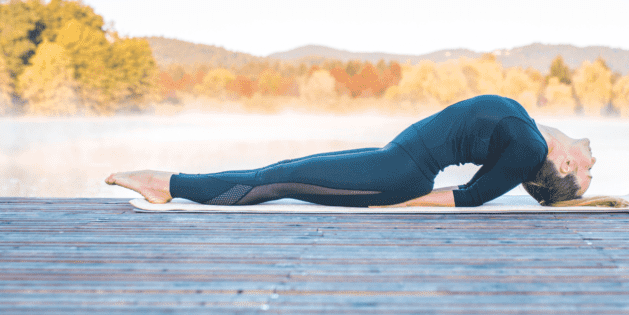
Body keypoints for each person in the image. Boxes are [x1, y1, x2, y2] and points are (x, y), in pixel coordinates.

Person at [106, 95, 596, 208]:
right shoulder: (530, 137)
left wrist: (397, 203)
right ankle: (167, 184)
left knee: (278, 179)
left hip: (400, 173)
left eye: (589, 173)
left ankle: (164, 184)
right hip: (395, 158)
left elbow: (469, 197)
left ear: (566, 165)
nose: (596, 161)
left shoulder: (530, 146)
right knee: (281, 172)